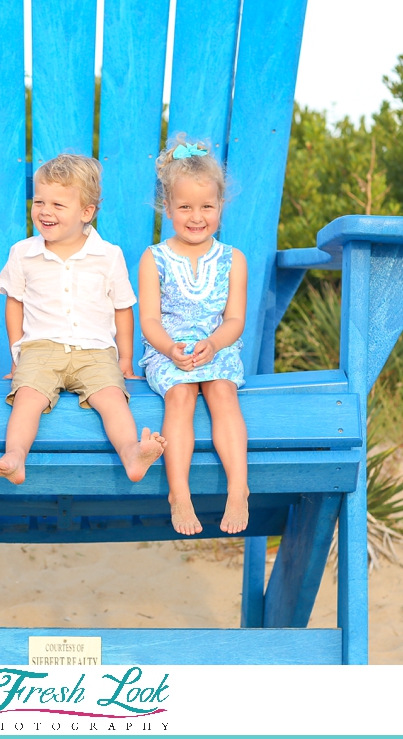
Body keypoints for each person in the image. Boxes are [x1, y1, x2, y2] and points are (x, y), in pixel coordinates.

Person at [0, 153, 166, 485]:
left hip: (95, 351)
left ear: (86, 212)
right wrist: (17, 354)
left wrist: (125, 360)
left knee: (112, 398)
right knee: (27, 397)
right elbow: (15, 304)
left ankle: (132, 454)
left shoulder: (108, 255)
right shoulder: (23, 253)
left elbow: (122, 308)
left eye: (57, 204)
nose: (45, 211)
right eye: (39, 201)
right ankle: (15, 456)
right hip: (41, 348)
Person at [138, 138, 249, 536]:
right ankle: (179, 493)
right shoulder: (154, 258)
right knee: (181, 396)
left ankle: (239, 488)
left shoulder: (233, 260)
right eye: (184, 207)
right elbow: (148, 320)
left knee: (222, 392)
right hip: (169, 349)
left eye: (206, 206)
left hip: (217, 345)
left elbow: (235, 318)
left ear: (220, 206)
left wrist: (215, 344)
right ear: (167, 209)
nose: (196, 216)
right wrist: (170, 348)